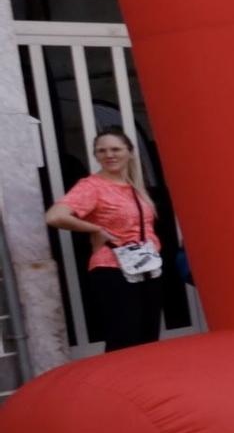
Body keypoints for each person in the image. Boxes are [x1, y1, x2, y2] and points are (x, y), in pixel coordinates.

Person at [44, 127, 164, 351]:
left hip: (147, 267)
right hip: (113, 269)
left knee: (148, 337)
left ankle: (143, 383)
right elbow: (55, 216)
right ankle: (120, 384)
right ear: (95, 155)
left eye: (116, 149)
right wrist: (95, 230)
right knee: (124, 338)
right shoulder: (91, 187)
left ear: (129, 152)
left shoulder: (134, 187)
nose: (109, 155)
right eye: (102, 151)